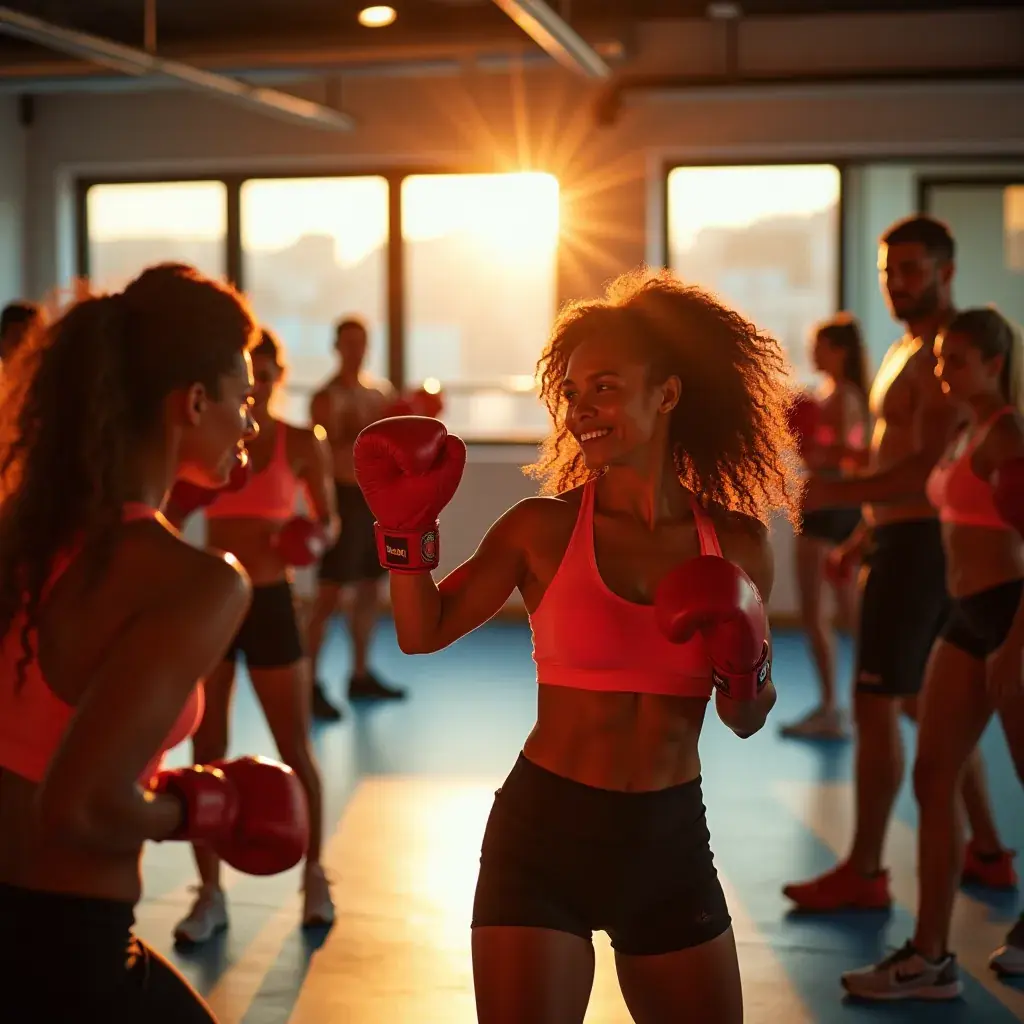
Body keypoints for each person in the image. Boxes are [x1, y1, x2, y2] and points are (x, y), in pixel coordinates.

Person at [352, 268, 798, 1024]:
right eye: (571, 390)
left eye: (605, 386)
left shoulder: (739, 545)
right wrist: (403, 538)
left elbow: (745, 719)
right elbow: (421, 631)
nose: (581, 409)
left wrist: (746, 660)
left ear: (668, 393)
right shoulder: (542, 528)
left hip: (668, 844)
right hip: (542, 838)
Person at [0, 264, 307, 1022]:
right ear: (193, 402)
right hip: (60, 953)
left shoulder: (22, 538)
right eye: (241, 398)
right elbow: (81, 808)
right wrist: (206, 806)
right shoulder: (197, 581)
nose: (252, 422)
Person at [783, 216, 1014, 913]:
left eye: (911, 270)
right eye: (889, 272)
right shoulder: (905, 349)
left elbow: (925, 467)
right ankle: (990, 851)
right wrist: (861, 537)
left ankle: (864, 869)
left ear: (946, 272)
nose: (897, 284)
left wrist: (840, 495)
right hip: (901, 541)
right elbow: (901, 459)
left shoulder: (948, 354)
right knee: (926, 702)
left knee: (876, 702)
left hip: (918, 549)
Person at [840, 308, 1024, 998]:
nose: (943, 372)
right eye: (940, 359)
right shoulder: (962, 430)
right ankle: (931, 958)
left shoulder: (1006, 435)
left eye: (956, 361)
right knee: (932, 775)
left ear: (993, 363)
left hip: (1010, 615)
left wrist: (1015, 641)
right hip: (964, 616)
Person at [167, 328, 339, 944]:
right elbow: (167, 511)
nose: (259, 385)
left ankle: (314, 875)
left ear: (277, 378)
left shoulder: (300, 442)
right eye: (250, 376)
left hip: (269, 602)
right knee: (204, 749)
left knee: (294, 745)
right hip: (214, 603)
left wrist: (306, 538)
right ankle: (209, 893)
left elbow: (329, 521)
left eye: (267, 375)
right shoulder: (211, 439)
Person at [306, 316, 405, 720]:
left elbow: (395, 447)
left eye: (361, 342)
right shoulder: (325, 398)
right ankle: (309, 683)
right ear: (336, 346)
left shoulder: (380, 393)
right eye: (348, 342)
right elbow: (328, 456)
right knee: (329, 596)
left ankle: (359, 674)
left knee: (368, 589)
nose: (356, 349)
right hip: (343, 499)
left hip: (375, 501)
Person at [781, 314, 869, 740]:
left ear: (840, 350)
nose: (813, 353)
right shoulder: (834, 394)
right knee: (842, 615)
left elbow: (848, 457)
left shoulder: (843, 397)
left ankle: (836, 708)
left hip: (827, 512)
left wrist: (808, 442)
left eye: (820, 345)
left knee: (818, 616)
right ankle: (842, 706)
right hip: (836, 511)